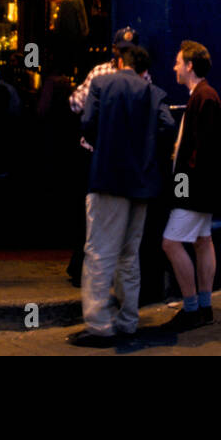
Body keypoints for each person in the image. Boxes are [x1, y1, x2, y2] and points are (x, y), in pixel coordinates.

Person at [68, 44, 174, 347]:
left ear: (118, 62)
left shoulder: (102, 84)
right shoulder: (153, 93)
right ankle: (128, 321)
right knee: (129, 255)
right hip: (141, 184)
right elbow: (167, 127)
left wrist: (106, 146)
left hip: (108, 180)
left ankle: (99, 325)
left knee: (99, 252)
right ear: (143, 69)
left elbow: (87, 124)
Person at [160, 41, 221, 332]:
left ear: (189, 65)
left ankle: (191, 308)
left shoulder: (204, 97)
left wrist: (183, 191)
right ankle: (205, 306)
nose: (174, 67)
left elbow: (202, 151)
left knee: (171, 243)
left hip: (195, 189)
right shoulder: (202, 95)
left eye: (177, 62)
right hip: (203, 189)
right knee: (202, 241)